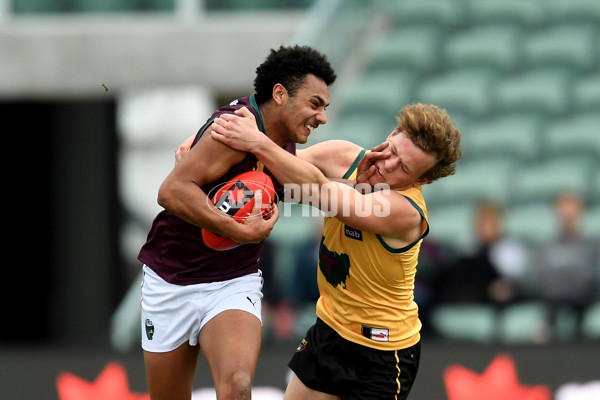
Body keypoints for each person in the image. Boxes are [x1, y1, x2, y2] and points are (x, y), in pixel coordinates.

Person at [209, 102, 463, 399]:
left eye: (404, 168)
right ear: (393, 133)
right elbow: (275, 167)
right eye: (392, 150)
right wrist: (200, 151)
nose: (389, 164)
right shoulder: (343, 155)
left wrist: (258, 140)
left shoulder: (406, 212)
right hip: (329, 331)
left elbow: (321, 193)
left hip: (382, 355)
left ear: (422, 180)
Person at [138, 45, 336, 400]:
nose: (321, 117)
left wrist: (364, 171)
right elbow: (170, 191)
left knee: (238, 386)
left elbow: (313, 175)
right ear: (279, 94)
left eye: (324, 108)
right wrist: (237, 229)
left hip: (231, 280)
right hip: (171, 279)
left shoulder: (276, 140)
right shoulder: (231, 129)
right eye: (315, 104)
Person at [530, 191, 599, 341]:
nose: (567, 214)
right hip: (552, 297)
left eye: (571, 208)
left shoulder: (591, 245)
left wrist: (561, 281)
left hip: (581, 298)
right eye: (563, 208)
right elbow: (540, 276)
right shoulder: (545, 245)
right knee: (551, 301)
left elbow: (587, 277)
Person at [437, 200, 528, 308]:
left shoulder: (511, 249)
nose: (487, 227)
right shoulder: (467, 246)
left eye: (491, 223)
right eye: (483, 223)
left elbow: (513, 282)